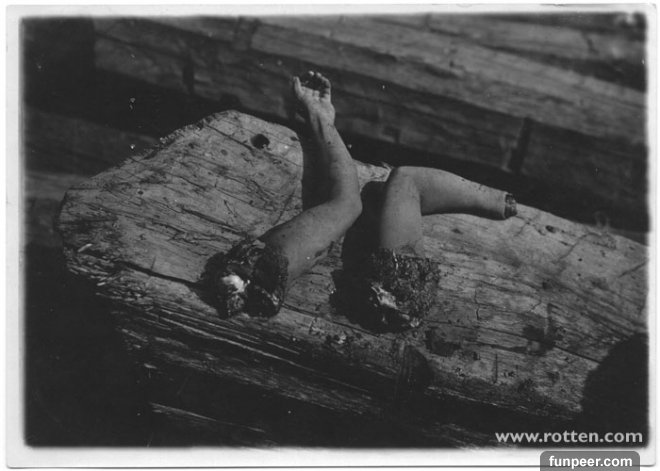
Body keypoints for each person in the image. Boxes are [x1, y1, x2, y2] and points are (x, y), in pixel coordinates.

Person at [206, 71, 516, 329]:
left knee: (350, 212)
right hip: (399, 290)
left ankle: (324, 126)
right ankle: (493, 198)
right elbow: (346, 202)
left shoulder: (263, 263)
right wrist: (321, 121)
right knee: (404, 180)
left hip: (256, 274)